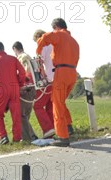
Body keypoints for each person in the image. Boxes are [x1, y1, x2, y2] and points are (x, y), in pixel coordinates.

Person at [36, 18, 80, 147]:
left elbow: (44, 37)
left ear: (56, 27)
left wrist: (38, 52)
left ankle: (62, 137)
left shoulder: (59, 34)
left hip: (61, 72)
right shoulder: (74, 41)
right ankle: (68, 125)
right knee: (61, 102)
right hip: (72, 73)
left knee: (57, 104)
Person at [0, 41, 26, 144]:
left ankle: (3, 136)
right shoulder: (13, 59)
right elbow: (22, 72)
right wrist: (20, 83)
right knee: (16, 114)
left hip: (1, 89)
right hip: (14, 88)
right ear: (3, 48)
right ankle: (17, 138)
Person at [12, 41, 38, 143]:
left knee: (21, 114)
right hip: (32, 88)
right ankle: (27, 136)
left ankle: (30, 136)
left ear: (15, 49)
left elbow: (24, 73)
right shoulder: (29, 56)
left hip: (26, 88)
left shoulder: (22, 58)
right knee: (25, 115)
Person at [32, 29, 55, 138]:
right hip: (58, 78)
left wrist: (43, 77)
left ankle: (48, 129)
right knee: (50, 106)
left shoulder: (42, 47)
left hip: (49, 79)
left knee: (38, 106)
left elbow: (39, 64)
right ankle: (55, 128)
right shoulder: (54, 45)